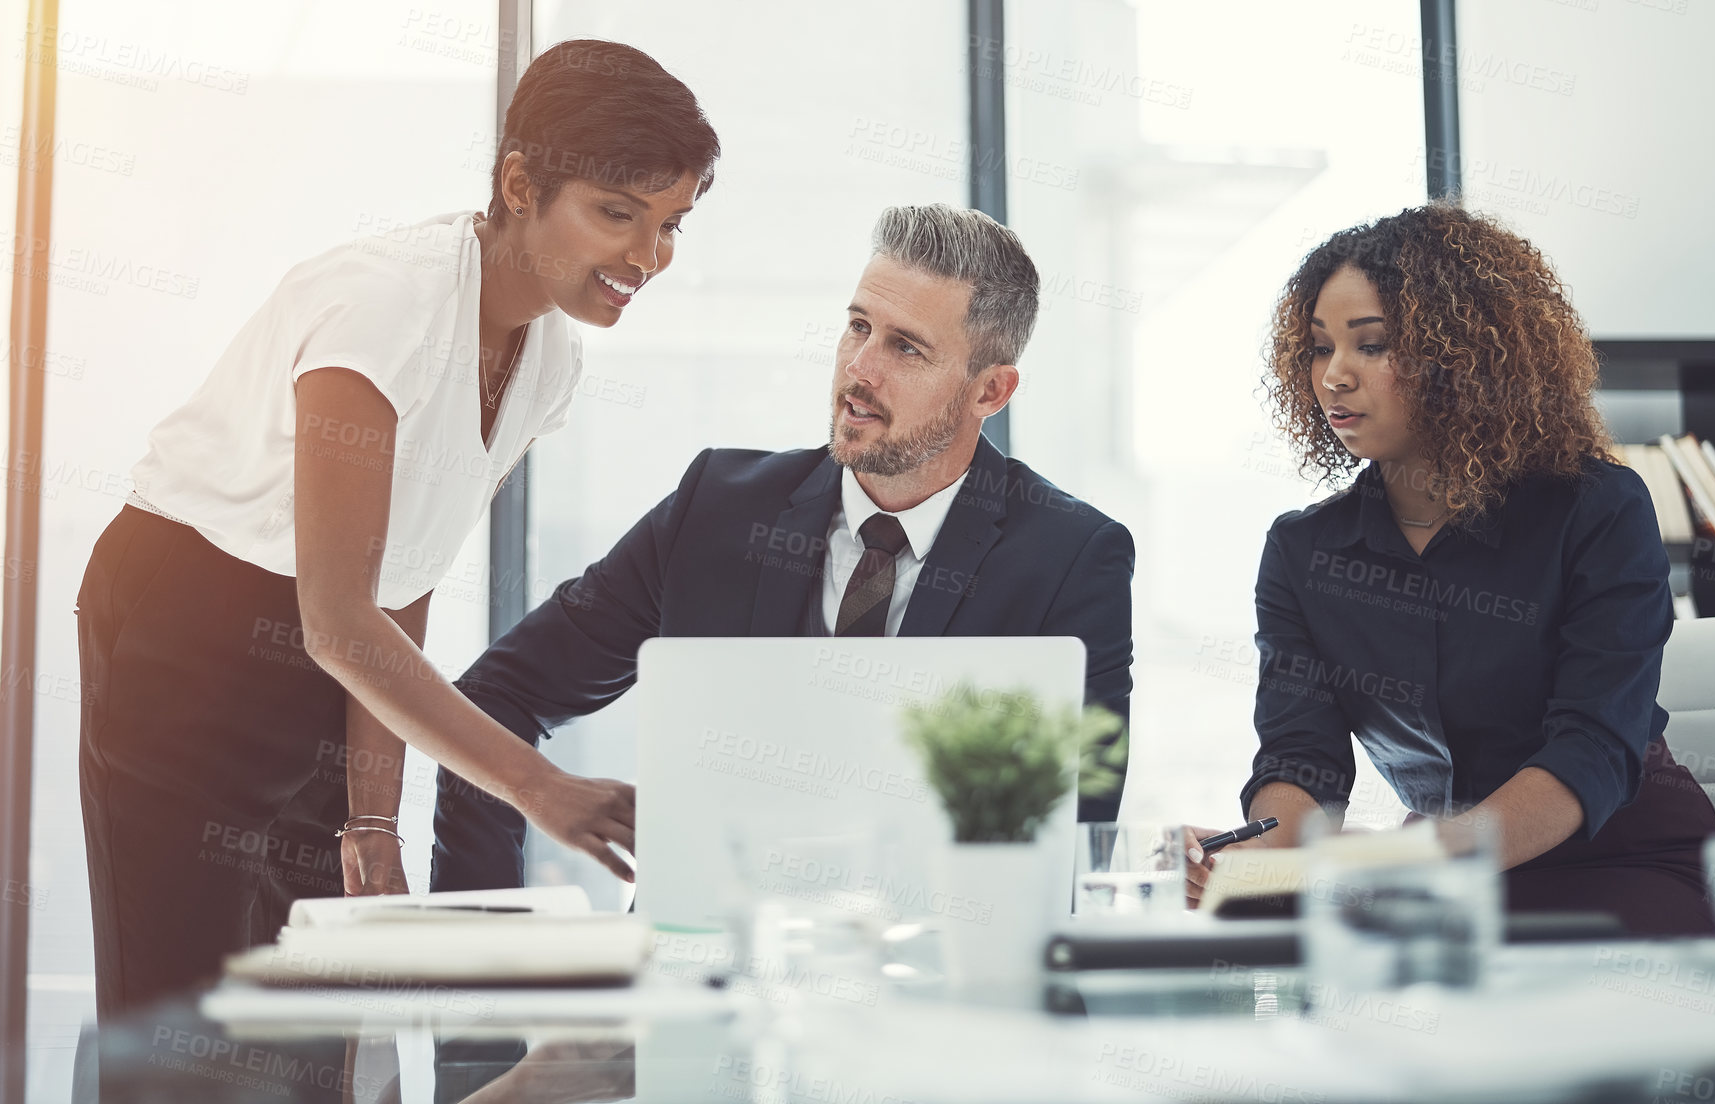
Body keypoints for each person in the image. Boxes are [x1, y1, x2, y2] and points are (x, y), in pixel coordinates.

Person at [76, 39, 720, 1017]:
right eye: (616, 213)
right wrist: (537, 787)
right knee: (182, 1030)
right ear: (518, 183)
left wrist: (371, 811)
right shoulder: (384, 305)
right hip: (189, 626)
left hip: (332, 662)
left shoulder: (549, 360)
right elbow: (341, 613)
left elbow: (402, 576)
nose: (647, 257)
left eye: (671, 223)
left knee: (311, 1019)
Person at [430, 203, 1135, 892]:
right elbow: (497, 698)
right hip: (704, 973)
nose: (860, 368)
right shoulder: (717, 509)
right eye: (857, 326)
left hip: (941, 982)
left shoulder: (1070, 559)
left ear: (991, 391)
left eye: (905, 347)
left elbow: (1073, 833)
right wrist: (485, 947)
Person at [1187, 204, 1715, 936]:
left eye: (1370, 345)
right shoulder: (1302, 552)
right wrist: (1254, 862)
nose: (1334, 376)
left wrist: (1402, 861)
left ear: (1465, 357)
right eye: (1318, 349)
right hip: (1437, 881)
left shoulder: (1595, 508)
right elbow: (1300, 763)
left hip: (1622, 867)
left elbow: (1590, 748)